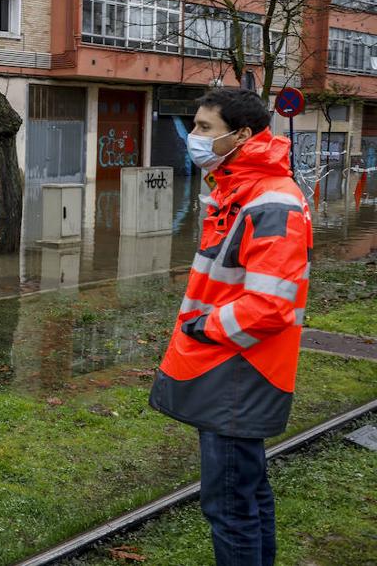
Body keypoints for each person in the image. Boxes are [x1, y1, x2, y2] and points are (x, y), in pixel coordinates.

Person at [150, 88, 311, 566]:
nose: (193, 138)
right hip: (233, 364)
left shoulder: (270, 202)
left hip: (239, 368)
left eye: (204, 128)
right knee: (247, 491)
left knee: (229, 502)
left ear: (241, 135)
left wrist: (203, 326)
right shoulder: (239, 189)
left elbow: (269, 305)